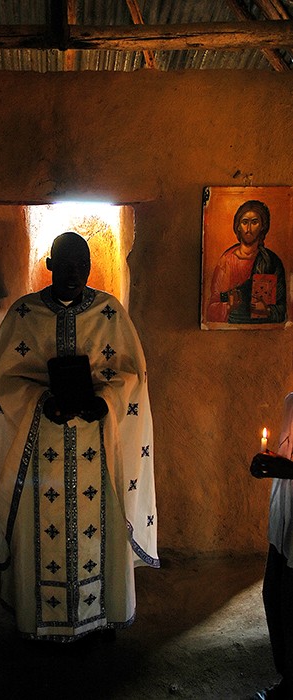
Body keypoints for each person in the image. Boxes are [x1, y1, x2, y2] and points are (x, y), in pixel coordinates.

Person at [0, 231, 159, 643]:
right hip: (39, 446)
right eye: (64, 265)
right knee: (39, 532)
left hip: (98, 446)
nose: (73, 273)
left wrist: (107, 401)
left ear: (90, 267)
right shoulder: (24, 315)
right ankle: (40, 621)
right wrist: (41, 401)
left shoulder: (109, 313)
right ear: (49, 265)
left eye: (81, 265)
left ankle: (100, 617)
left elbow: (133, 375)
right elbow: (2, 380)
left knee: (101, 530)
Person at [250, 396, 293, 699]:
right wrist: (266, 464)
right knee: (274, 596)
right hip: (284, 522)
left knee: (290, 604)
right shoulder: (292, 402)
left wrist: (288, 470)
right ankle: (287, 677)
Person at [206, 200, 286, 324]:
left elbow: (282, 311)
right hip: (231, 329)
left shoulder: (271, 261)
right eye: (244, 222)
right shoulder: (226, 260)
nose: (248, 229)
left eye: (254, 222)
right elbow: (211, 309)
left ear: (263, 226)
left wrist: (267, 310)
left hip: (263, 330)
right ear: (238, 226)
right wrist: (228, 307)